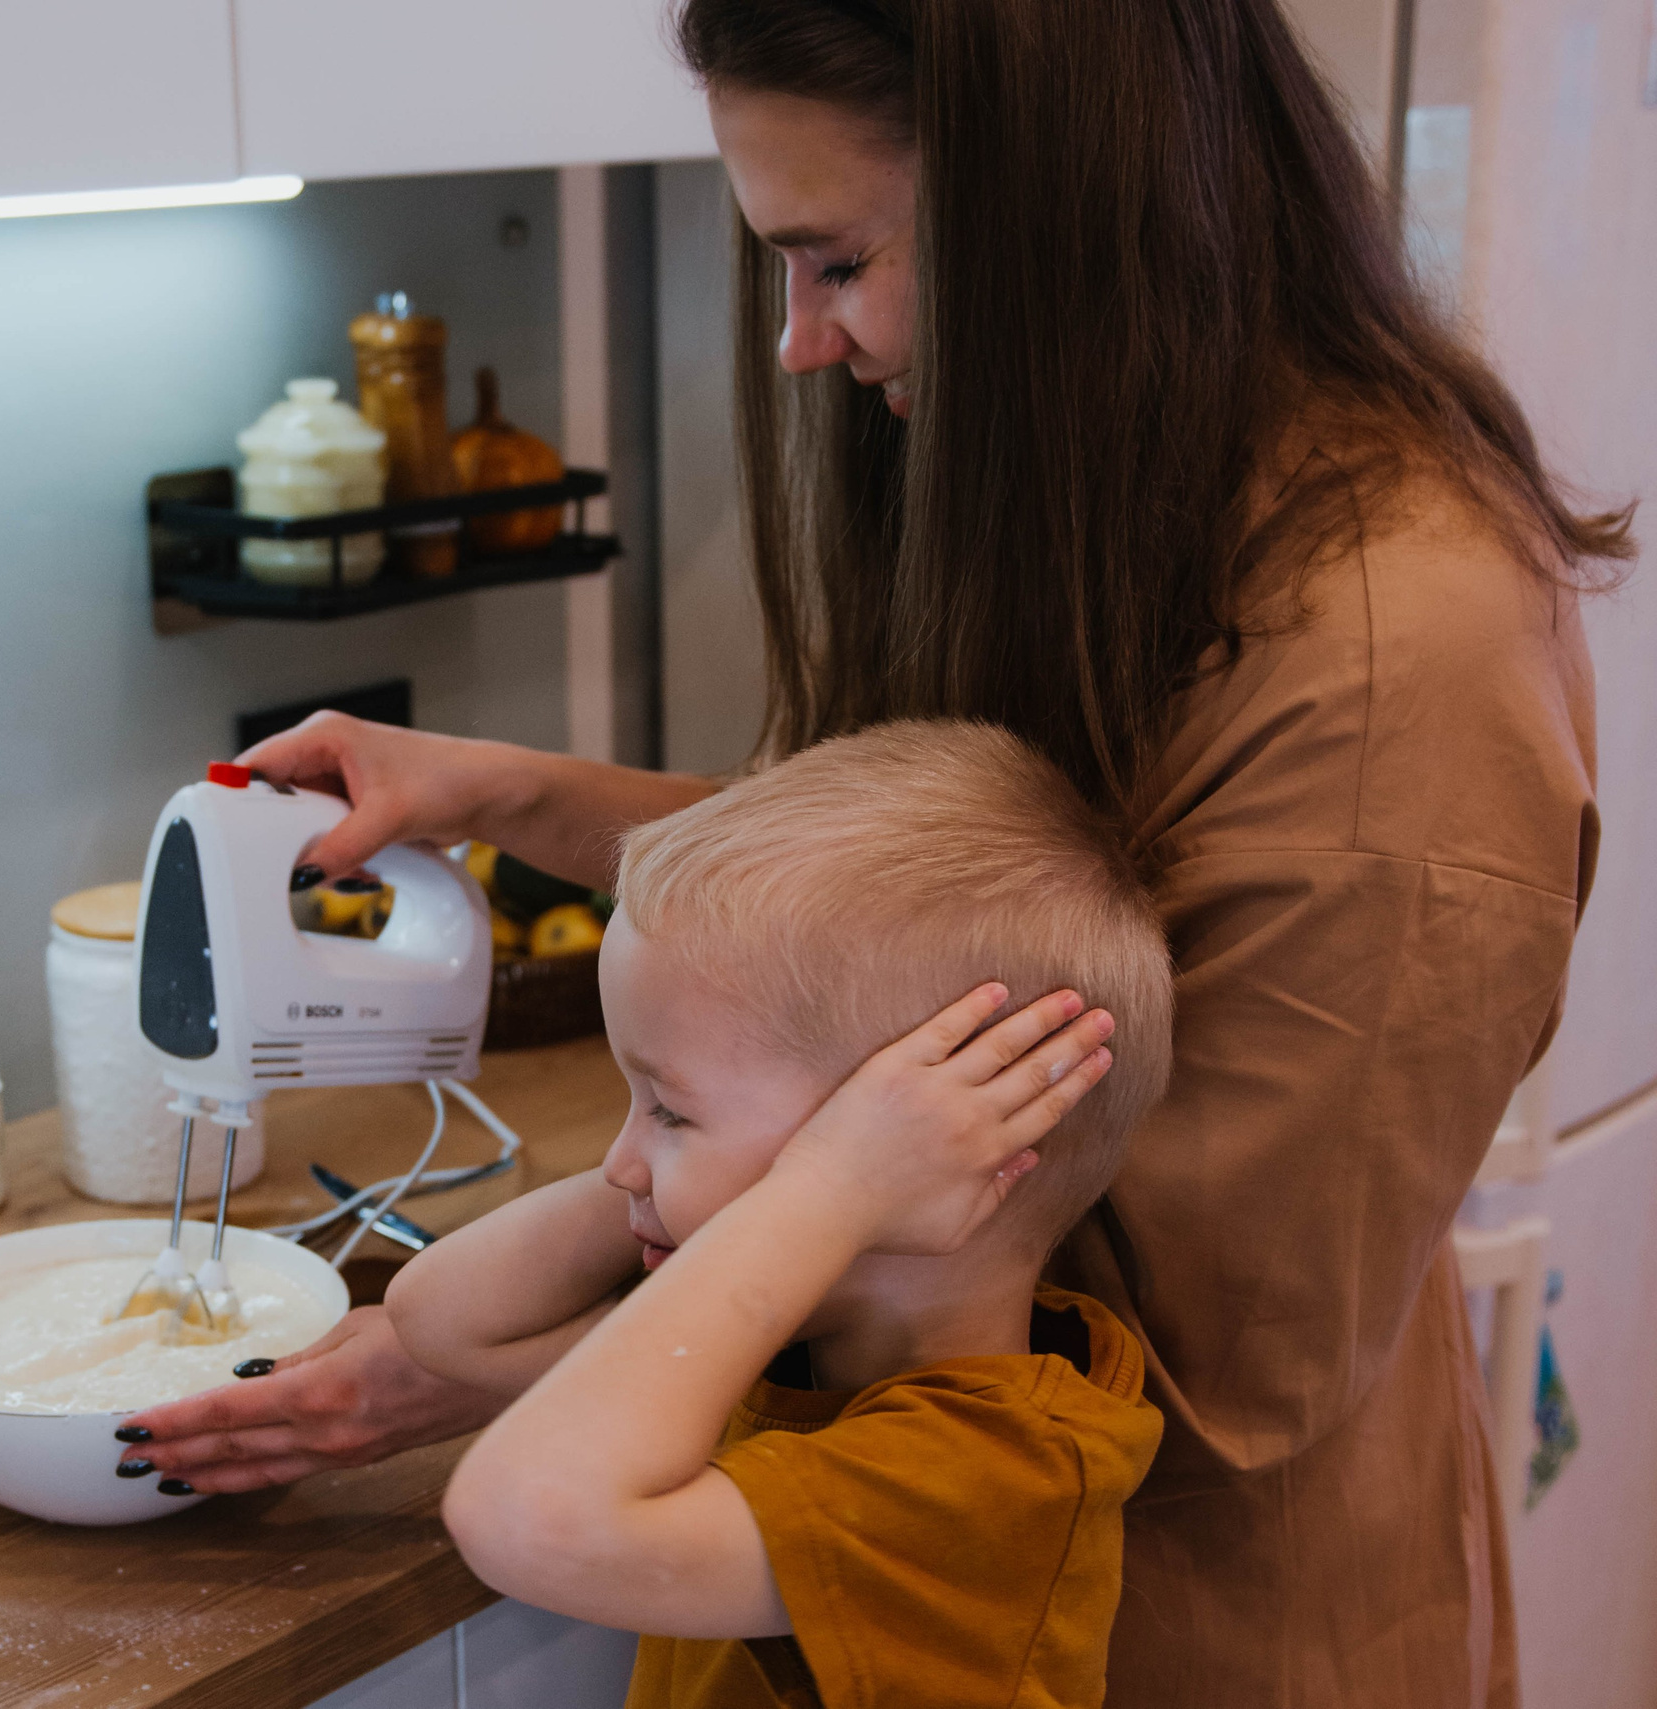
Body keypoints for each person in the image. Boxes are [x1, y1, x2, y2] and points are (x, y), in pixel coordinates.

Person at [120, 2, 1629, 1700]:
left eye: (834, 259)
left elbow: (1190, 1347)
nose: (797, 342)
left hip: (1197, 1622)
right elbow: (905, 927)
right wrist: (519, 795)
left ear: (1064, 206)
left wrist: (542, 1350)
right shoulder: (1099, 467)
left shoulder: (1398, 648)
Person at [394, 723, 1173, 1708]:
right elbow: (442, 1317)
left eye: (672, 1108)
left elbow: (526, 1516)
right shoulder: (782, 1341)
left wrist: (827, 1188)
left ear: (932, 1152)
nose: (618, 1158)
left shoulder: (989, 1472)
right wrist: (769, 1179)